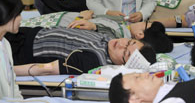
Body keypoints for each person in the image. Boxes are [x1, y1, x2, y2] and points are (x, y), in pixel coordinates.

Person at [6, 26, 157, 75]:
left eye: (125, 53)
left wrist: (6, 70)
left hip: (21, 50)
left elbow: (47, 69)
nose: (121, 45)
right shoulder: (112, 40)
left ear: (122, 66)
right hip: (29, 32)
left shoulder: (94, 61)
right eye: (129, 42)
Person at [20, 11, 173, 53]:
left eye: (144, 23)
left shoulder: (118, 36)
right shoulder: (122, 28)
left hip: (53, 26)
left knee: (15, 28)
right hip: (59, 21)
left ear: (140, 35)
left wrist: (86, 19)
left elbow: (96, 29)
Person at [0, 0, 23, 98]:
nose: (21, 19)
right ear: (6, 16)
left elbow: (13, 86)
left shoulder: (6, 44)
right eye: (18, 14)